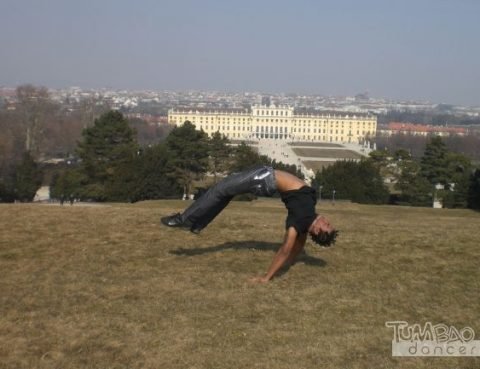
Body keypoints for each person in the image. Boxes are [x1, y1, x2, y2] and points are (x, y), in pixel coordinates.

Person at [161, 165, 338, 283]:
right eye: (328, 223)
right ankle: (197, 224)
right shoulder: (306, 221)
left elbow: (286, 249)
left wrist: (266, 277)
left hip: (264, 177)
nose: (326, 220)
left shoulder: (300, 220)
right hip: (266, 177)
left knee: (221, 188)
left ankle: (183, 220)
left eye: (326, 225)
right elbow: (297, 248)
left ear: (316, 230)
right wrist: (290, 261)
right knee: (225, 192)